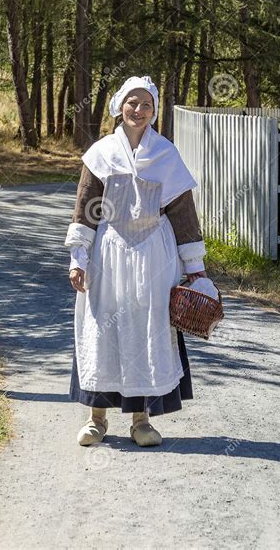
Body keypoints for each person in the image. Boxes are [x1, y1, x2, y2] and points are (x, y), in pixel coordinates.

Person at [65, 75, 207, 447]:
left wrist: (195, 270)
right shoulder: (101, 153)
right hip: (108, 254)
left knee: (148, 330)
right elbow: (85, 210)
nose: (139, 110)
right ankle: (96, 419)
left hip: (153, 258)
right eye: (133, 103)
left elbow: (183, 215)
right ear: (119, 106)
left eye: (146, 104)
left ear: (154, 110)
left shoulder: (165, 154)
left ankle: (141, 419)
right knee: (102, 328)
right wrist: (78, 258)